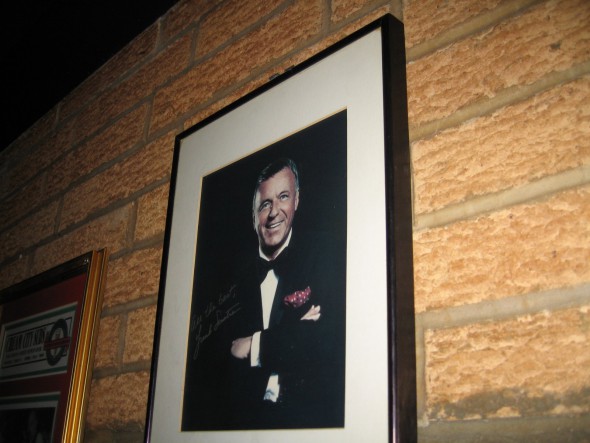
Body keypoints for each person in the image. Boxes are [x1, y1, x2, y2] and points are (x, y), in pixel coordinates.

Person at [183, 158, 346, 430]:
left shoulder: (325, 252)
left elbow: (326, 340)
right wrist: (294, 333)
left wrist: (254, 345)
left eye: (283, 197)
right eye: (264, 204)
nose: (273, 213)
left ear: (296, 200)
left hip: (306, 424)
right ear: (253, 213)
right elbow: (212, 359)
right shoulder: (226, 276)